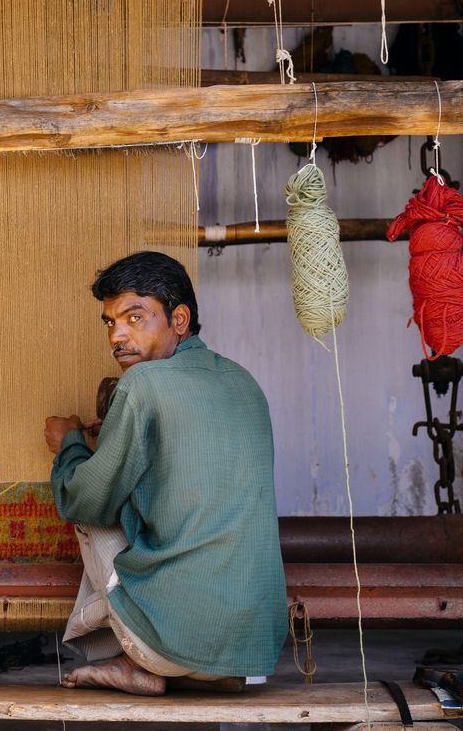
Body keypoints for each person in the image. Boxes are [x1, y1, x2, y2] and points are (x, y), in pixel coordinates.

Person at [45, 250, 286, 696]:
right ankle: (188, 665)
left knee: (87, 510)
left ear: (179, 319)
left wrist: (70, 446)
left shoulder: (142, 384)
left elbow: (85, 499)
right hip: (251, 654)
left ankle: (135, 657)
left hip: (171, 644)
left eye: (135, 318)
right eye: (110, 322)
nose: (117, 335)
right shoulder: (244, 381)